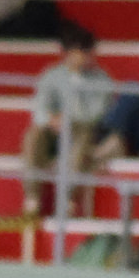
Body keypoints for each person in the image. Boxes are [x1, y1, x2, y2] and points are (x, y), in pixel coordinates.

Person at [24, 20, 116, 219]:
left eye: (89, 52)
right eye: (82, 52)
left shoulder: (103, 79)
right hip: (55, 131)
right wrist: (51, 119)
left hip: (83, 131)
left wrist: (69, 117)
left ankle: (67, 200)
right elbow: (39, 108)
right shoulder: (51, 76)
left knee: (83, 134)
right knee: (34, 135)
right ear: (69, 53)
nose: (88, 56)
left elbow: (96, 115)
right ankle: (32, 199)